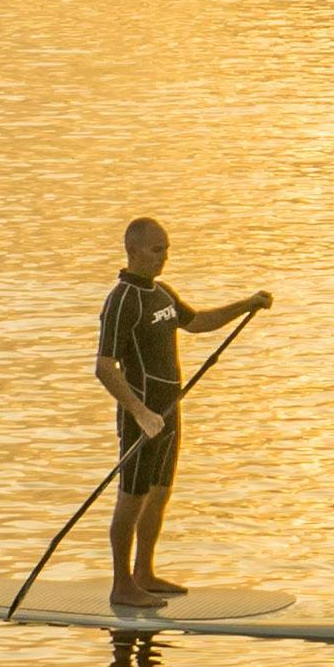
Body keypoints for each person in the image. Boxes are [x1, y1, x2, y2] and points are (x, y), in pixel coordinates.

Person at [93, 217, 266, 613]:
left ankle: (144, 574)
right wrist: (139, 413)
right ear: (133, 250)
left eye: (167, 249)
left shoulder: (162, 293)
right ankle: (122, 585)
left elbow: (197, 322)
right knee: (131, 499)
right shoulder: (121, 300)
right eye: (157, 250)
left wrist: (246, 305)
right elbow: (104, 367)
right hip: (142, 417)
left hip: (170, 412)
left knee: (160, 495)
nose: (164, 258)